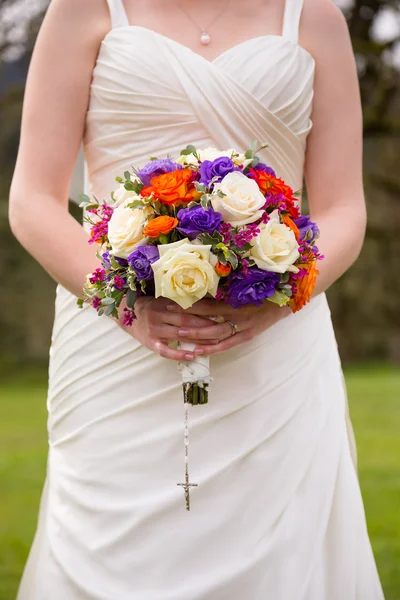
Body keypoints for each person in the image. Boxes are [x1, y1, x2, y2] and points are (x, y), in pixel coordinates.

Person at [10, 0, 385, 598]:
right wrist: (126, 306)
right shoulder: (82, 10)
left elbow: (344, 209)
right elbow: (32, 200)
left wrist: (277, 298)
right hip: (114, 346)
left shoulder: (314, 19)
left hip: (275, 350)